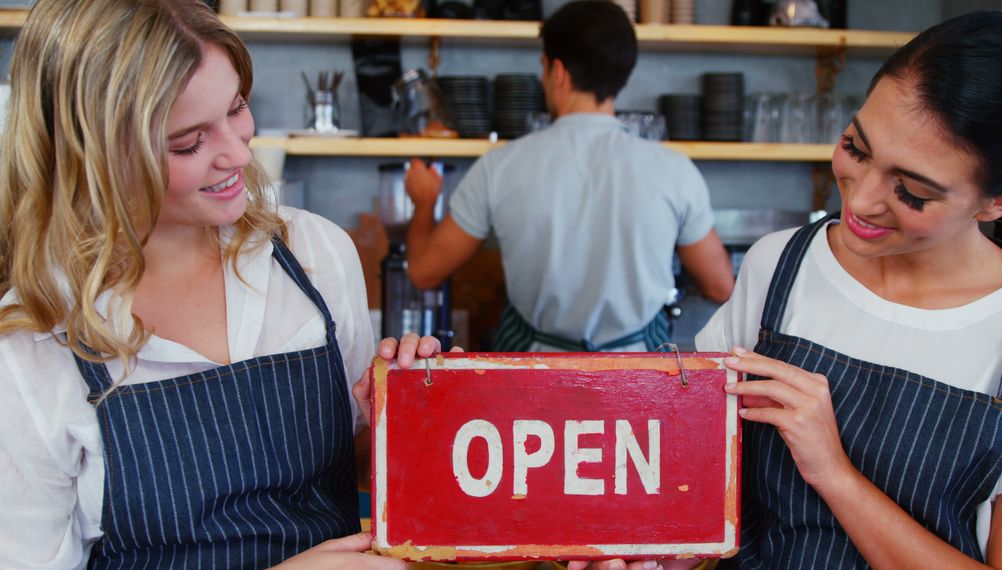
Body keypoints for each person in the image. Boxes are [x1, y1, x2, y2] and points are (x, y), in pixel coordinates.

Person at [0, 1, 406, 568]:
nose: (240, 152)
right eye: (188, 142)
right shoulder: (31, 347)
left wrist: (416, 415)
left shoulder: (313, 254)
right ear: (91, 156)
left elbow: (361, 463)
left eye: (238, 108)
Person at [696, 10, 1002, 568]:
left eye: (912, 192)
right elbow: (693, 464)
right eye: (856, 147)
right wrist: (663, 547)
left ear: (1001, 202)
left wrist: (834, 473)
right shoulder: (778, 264)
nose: (861, 200)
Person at [403, 0, 734, 352]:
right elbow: (720, 286)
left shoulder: (499, 167)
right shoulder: (675, 170)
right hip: (640, 378)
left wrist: (424, 203)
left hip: (532, 381)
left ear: (557, 71)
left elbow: (425, 272)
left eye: (543, 67)